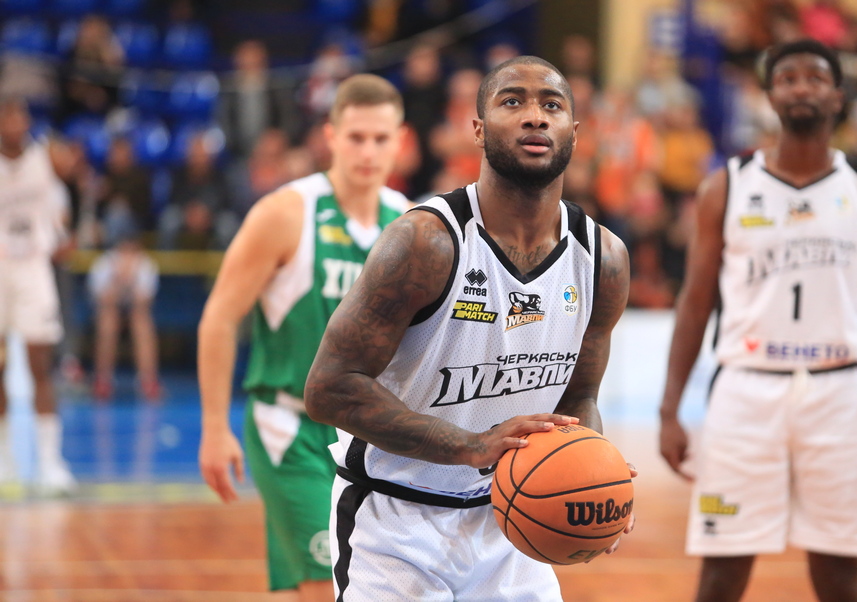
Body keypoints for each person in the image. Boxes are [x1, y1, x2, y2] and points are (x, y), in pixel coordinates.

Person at [304, 56, 635, 601]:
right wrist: (471, 445)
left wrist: (595, 476)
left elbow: (580, 398)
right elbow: (328, 389)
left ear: (575, 133)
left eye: (551, 105)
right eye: (513, 101)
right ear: (477, 129)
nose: (535, 116)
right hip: (396, 525)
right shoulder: (425, 243)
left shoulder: (603, 260)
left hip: (511, 524)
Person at [658, 39, 857, 602]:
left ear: (838, 95)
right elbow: (695, 302)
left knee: (840, 573)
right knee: (721, 570)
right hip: (744, 394)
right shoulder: (727, 185)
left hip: (839, 395)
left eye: (815, 77)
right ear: (769, 96)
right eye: (787, 78)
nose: (801, 87)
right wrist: (669, 410)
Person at [198, 74, 410, 602]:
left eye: (380, 138)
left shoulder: (409, 223)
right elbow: (219, 318)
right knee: (329, 586)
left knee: (306, 589)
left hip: (365, 437)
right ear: (330, 137)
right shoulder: (285, 213)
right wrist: (214, 428)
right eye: (355, 137)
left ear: (400, 141)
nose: (368, 151)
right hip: (290, 427)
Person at [0, 97, 76, 494]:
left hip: (33, 267)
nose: (16, 123)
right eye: (8, 116)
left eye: (21, 115)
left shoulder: (45, 155)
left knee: (39, 364)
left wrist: (67, 232)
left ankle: (49, 463)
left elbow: (80, 178)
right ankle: (5, 461)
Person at [88, 228, 160, 401]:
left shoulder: (145, 263)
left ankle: (148, 379)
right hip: (109, 309)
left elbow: (143, 301)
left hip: (135, 310)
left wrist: (131, 278)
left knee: (141, 321)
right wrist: (119, 278)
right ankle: (103, 379)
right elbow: (104, 299)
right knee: (108, 320)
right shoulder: (104, 263)